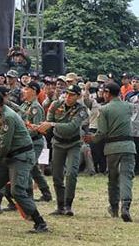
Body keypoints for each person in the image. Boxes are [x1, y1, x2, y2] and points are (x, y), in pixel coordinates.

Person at [0, 90, 49, 233]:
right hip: (8, 156)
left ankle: (40, 223)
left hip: (20, 157)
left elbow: (4, 145)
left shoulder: (7, 117)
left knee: (17, 191)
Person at [35, 83, 88, 216]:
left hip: (73, 144)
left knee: (71, 173)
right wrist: (42, 126)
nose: (68, 97)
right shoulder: (55, 105)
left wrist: (52, 124)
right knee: (57, 175)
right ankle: (60, 205)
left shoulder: (81, 110)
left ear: (78, 96)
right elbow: (48, 122)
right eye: (67, 94)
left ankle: (68, 205)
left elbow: (72, 126)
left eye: (72, 95)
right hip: (58, 143)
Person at [86, 81, 135, 222]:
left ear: (108, 93)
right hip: (129, 146)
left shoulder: (104, 109)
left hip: (112, 148)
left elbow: (102, 133)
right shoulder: (129, 106)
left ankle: (114, 208)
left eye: (105, 92)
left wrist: (92, 139)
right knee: (127, 176)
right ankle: (125, 206)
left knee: (113, 179)